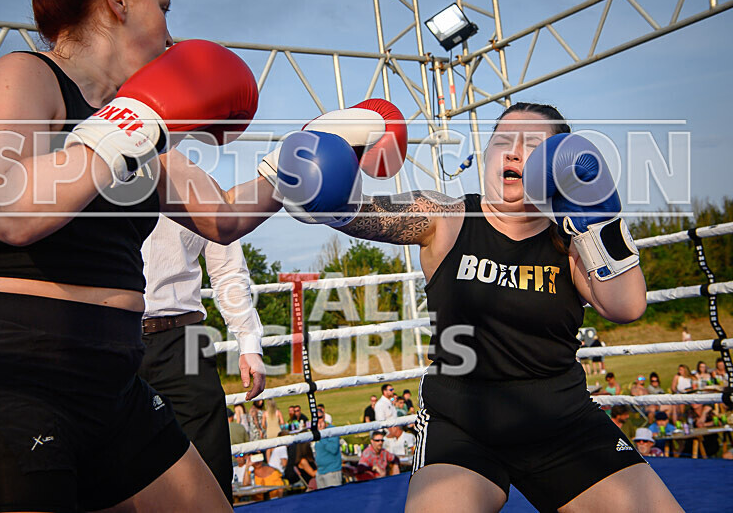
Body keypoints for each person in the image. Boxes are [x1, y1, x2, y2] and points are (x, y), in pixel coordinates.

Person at [0, 0, 290, 510]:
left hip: (115, 384)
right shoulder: (25, 76)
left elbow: (223, 217)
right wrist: (134, 125)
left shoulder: (148, 131)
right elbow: (9, 208)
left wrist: (306, 161)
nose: (171, 33)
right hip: (16, 377)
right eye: (163, 7)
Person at [277, 101, 681, 511]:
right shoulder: (448, 217)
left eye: (531, 145)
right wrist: (321, 188)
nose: (512, 152)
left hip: (562, 422)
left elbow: (627, 306)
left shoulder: (572, 238)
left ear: (559, 160)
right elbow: (359, 214)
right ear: (486, 156)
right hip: (461, 427)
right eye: (502, 141)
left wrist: (599, 219)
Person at [139, 214, 266, 503]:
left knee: (210, 465)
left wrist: (248, 341)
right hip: (106, 336)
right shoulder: (87, 175)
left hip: (185, 337)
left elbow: (227, 269)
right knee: (107, 469)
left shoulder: (196, 189)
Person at [313, 417, 343, 489]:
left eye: (320, 418)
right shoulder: (317, 432)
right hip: (320, 472)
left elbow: (333, 449)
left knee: (334, 498)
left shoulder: (332, 430)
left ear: (323, 418)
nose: (318, 421)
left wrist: (321, 435)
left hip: (332, 472)